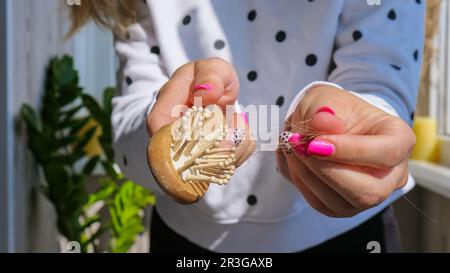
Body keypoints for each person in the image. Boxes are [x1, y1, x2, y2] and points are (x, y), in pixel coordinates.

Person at [69, 0, 425, 253]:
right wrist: (170, 129)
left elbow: (381, 83)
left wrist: (359, 129)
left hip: (350, 238)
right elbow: (131, 128)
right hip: (186, 243)